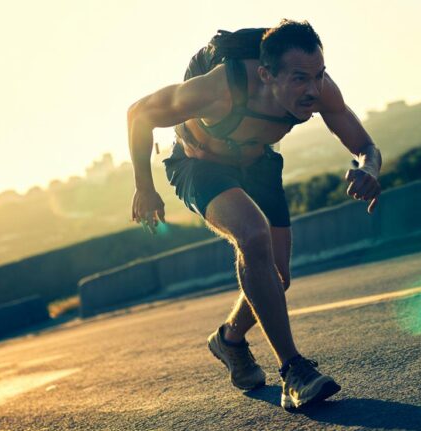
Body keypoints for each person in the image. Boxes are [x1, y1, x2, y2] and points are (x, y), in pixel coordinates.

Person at [127, 19, 382, 410]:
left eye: (319, 75)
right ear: (266, 75)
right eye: (299, 79)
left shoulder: (320, 91)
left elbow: (365, 144)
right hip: (200, 164)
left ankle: (228, 340)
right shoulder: (222, 87)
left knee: (277, 278)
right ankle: (294, 372)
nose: (312, 90)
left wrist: (369, 169)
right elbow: (139, 114)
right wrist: (145, 187)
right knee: (253, 235)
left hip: (258, 161)